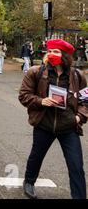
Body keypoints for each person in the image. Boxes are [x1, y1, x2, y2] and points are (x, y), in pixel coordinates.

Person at [18, 39, 87, 199]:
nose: (51, 55)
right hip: (44, 125)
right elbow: (23, 96)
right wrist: (41, 101)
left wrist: (79, 118)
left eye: (56, 52)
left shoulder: (78, 76)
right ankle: (29, 182)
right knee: (36, 156)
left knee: (76, 166)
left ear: (65, 56)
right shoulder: (36, 72)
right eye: (50, 51)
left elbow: (86, 101)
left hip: (69, 127)